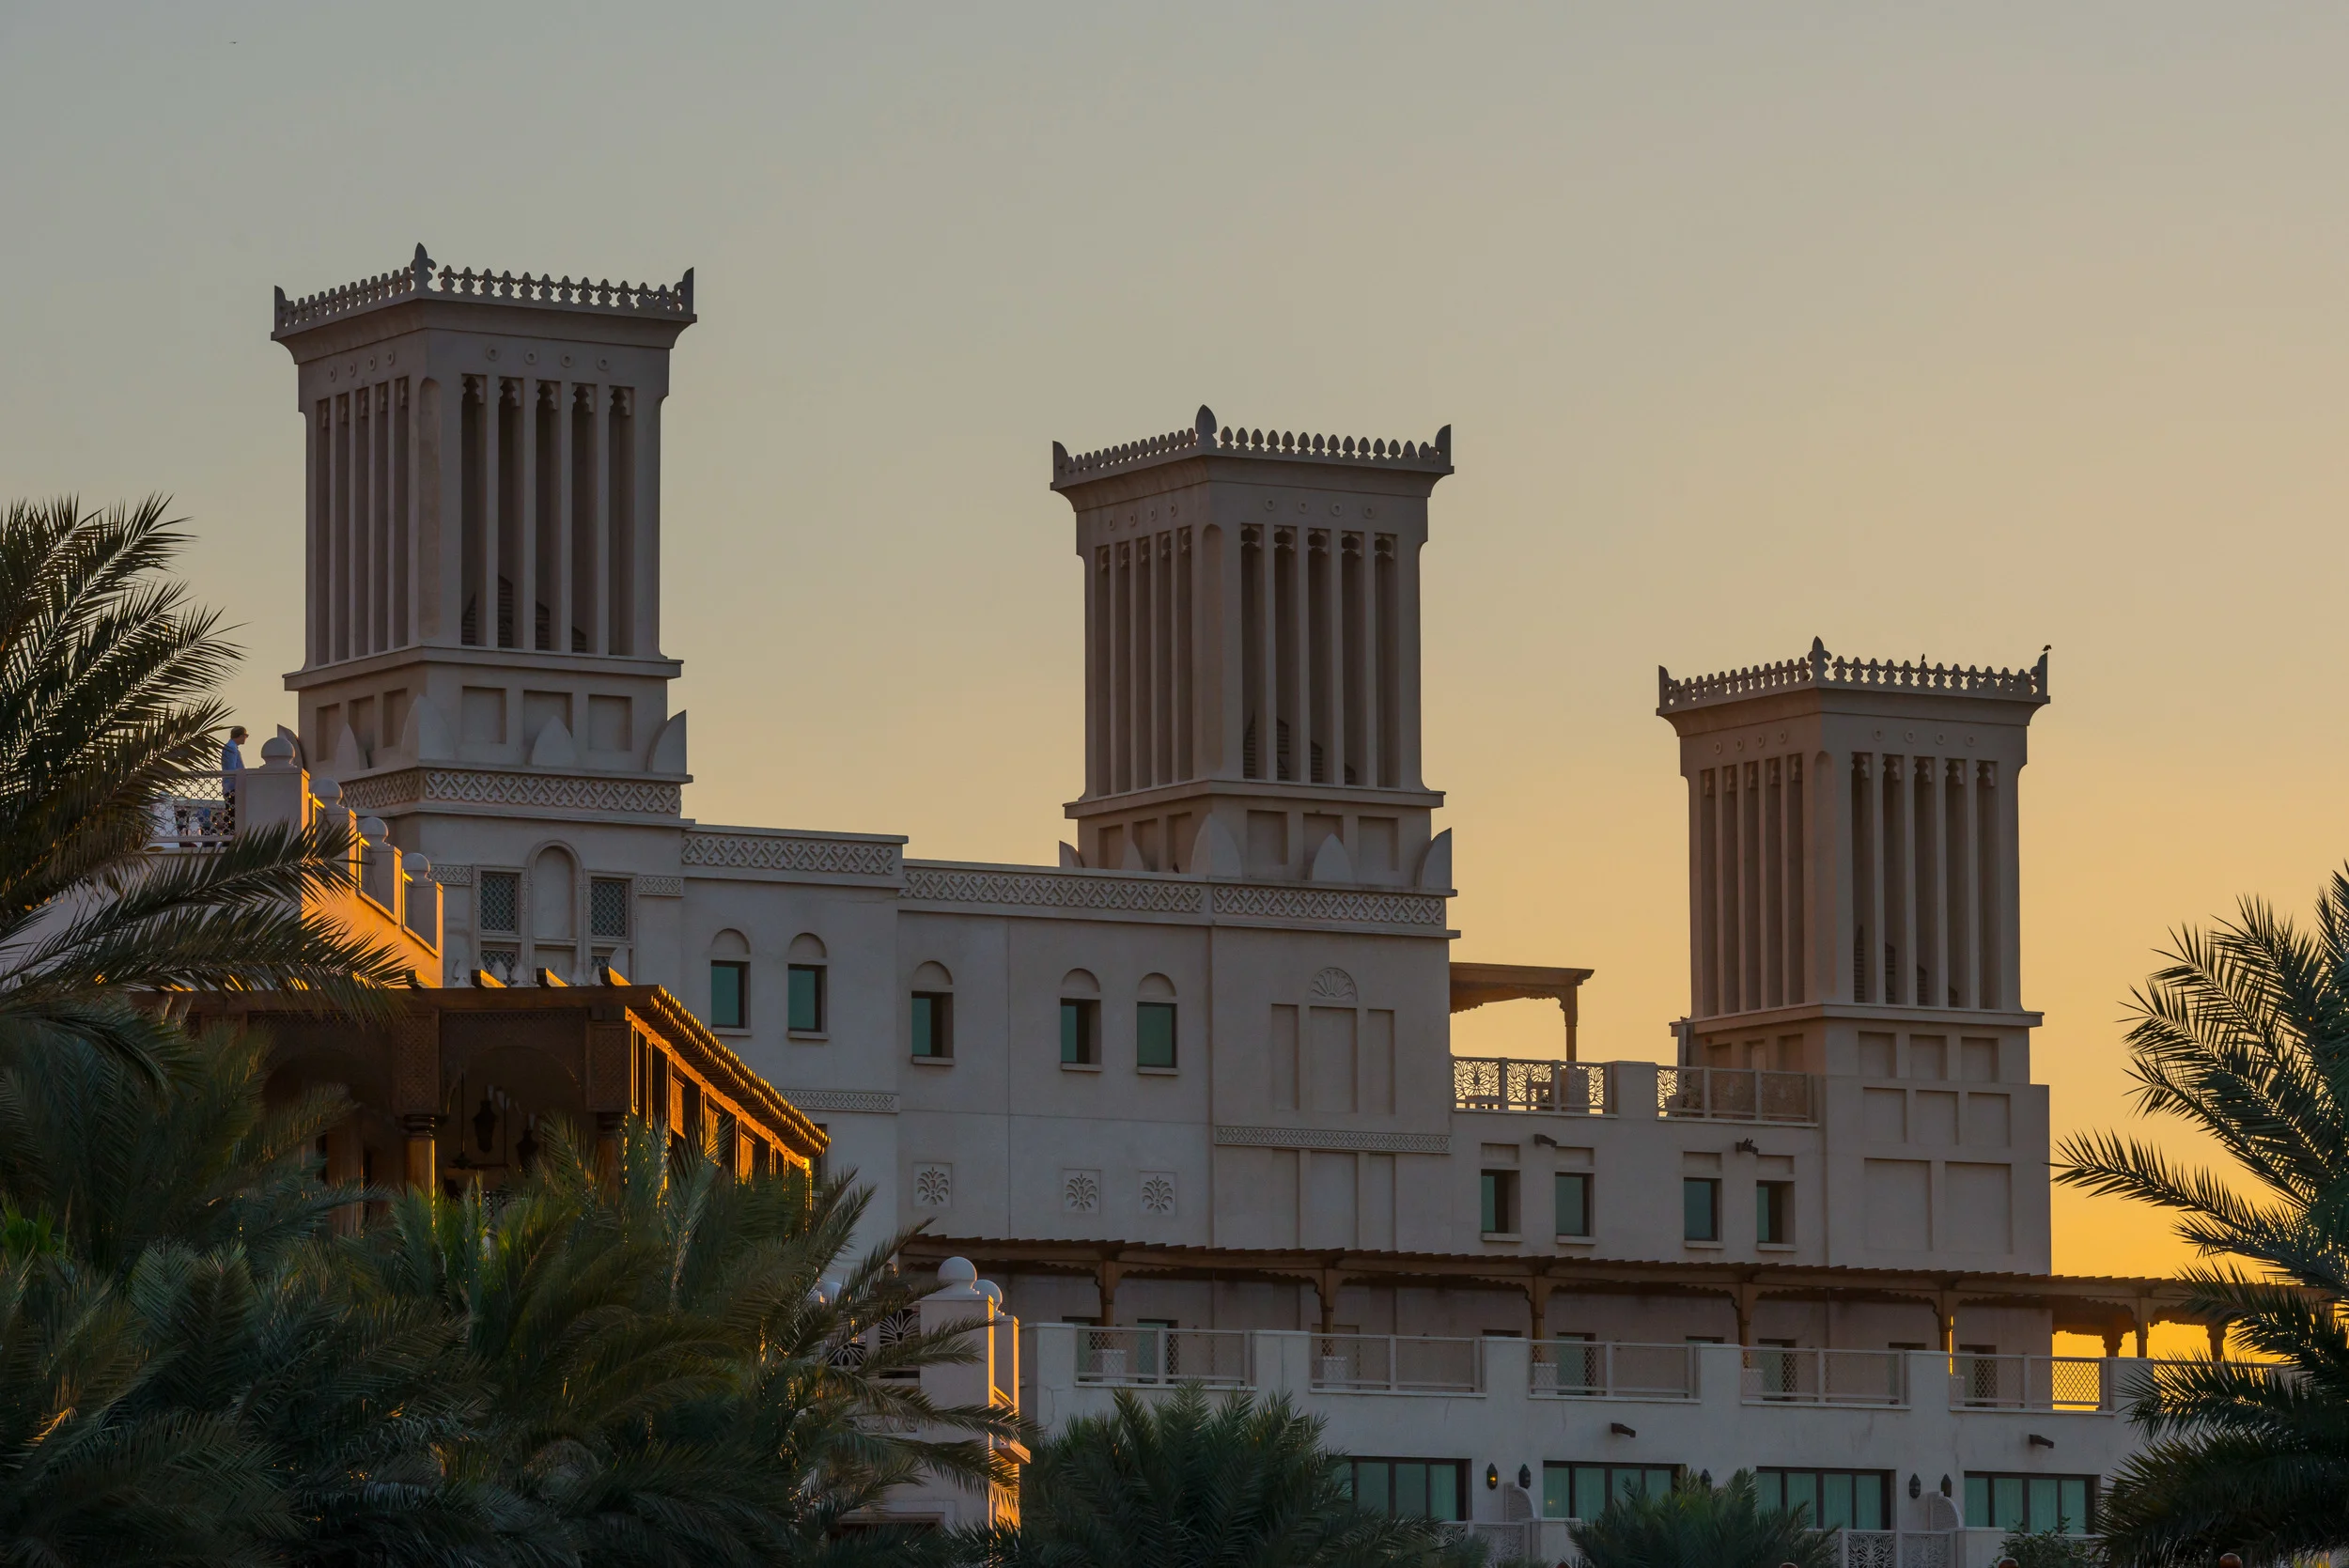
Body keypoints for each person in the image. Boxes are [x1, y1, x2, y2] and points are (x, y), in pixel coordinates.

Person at [219, 725, 247, 833]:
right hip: (232, 786)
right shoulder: (231, 748)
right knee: (232, 812)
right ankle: (228, 837)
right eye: (245, 735)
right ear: (240, 736)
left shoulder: (231, 747)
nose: (245, 738)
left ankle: (229, 835)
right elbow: (232, 769)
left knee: (232, 812)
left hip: (231, 786)